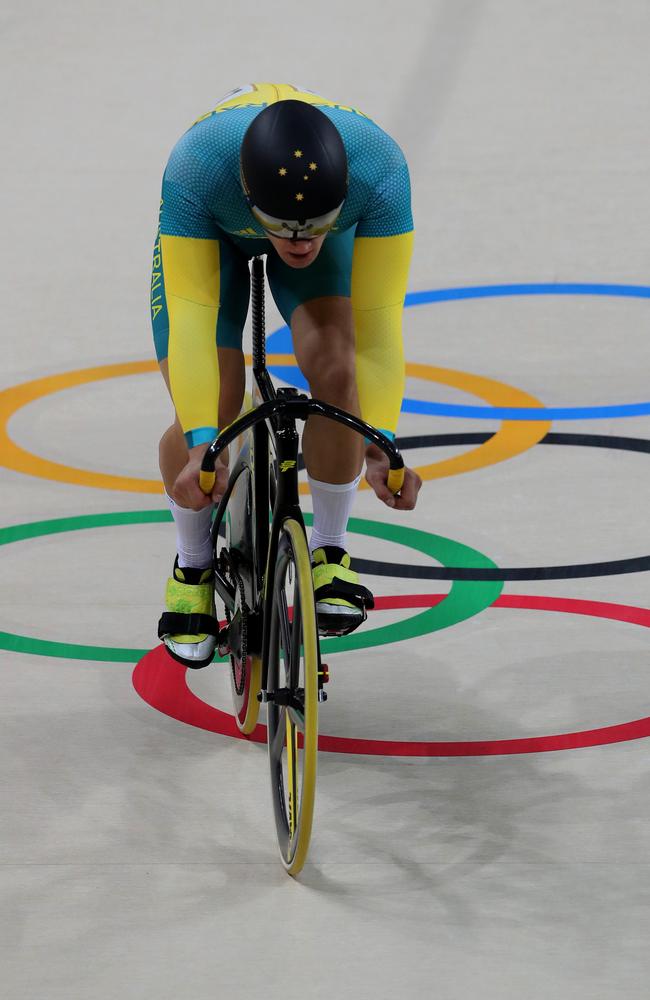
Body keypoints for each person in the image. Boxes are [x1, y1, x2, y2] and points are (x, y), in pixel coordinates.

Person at [151, 83, 421, 668]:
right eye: (284, 227)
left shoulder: (380, 170)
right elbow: (193, 326)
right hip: (212, 233)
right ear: (251, 197)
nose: (298, 243)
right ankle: (191, 562)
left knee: (336, 368)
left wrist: (381, 439)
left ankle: (329, 551)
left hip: (306, 216)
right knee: (213, 402)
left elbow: (377, 328)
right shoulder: (197, 167)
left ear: (342, 196)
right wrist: (204, 440)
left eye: (314, 225)